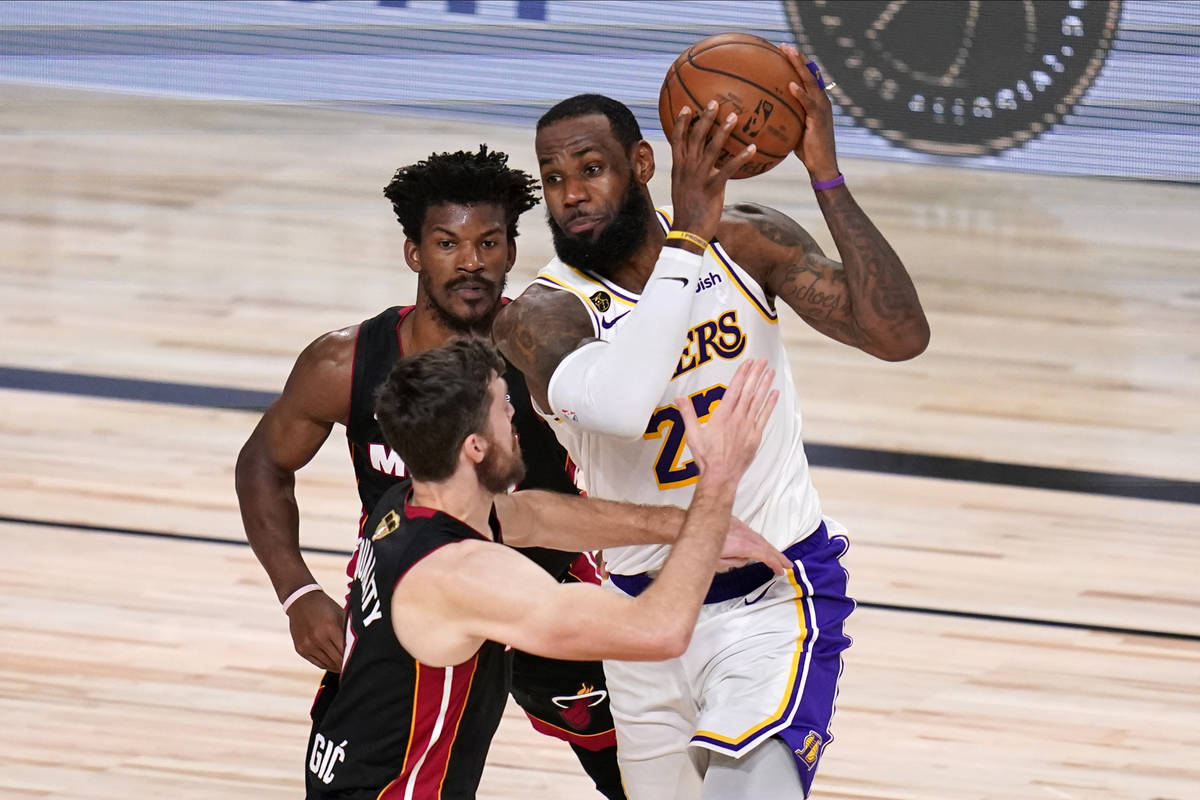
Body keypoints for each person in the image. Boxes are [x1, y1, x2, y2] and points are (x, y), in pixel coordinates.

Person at [492, 45, 930, 799]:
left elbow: (899, 336)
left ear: (642, 163)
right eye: (554, 179)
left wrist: (825, 174)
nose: (571, 194)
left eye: (590, 169)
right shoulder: (540, 315)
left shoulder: (746, 243)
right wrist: (688, 239)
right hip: (641, 620)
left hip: (772, 594)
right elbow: (625, 405)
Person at [236, 146, 629, 798]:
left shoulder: (545, 355)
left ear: (510, 251)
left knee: (635, 774)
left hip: (543, 601)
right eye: (448, 242)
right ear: (414, 252)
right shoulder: (345, 364)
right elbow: (263, 462)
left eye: (488, 242)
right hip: (409, 605)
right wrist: (296, 592)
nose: (470, 261)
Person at [304, 339, 781, 799]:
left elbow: (534, 516)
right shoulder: (460, 575)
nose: (514, 415)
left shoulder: (407, 504)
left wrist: (681, 526)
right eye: (503, 407)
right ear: (475, 447)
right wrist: (717, 482)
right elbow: (657, 629)